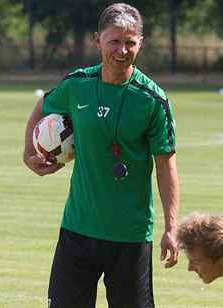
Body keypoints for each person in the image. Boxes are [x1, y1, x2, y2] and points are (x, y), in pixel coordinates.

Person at [22, 3, 179, 307]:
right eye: (115, 41)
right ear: (98, 41)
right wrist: (28, 152)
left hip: (130, 234)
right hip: (77, 229)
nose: (122, 50)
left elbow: (166, 167)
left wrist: (171, 228)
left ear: (140, 43)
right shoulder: (77, 84)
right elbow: (44, 104)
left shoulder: (152, 100)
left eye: (130, 42)